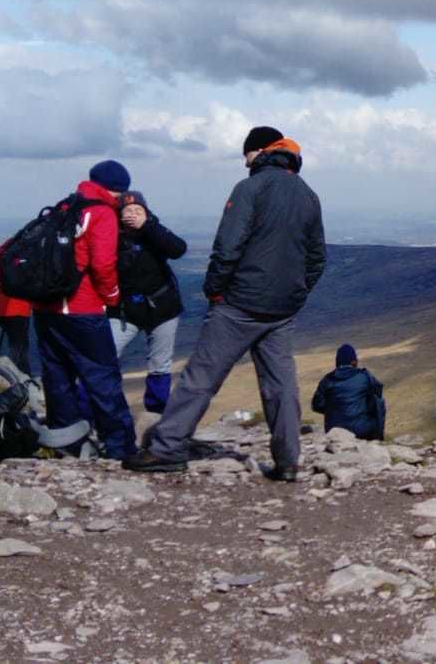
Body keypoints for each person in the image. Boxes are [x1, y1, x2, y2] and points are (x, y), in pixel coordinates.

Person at [125, 127, 326, 479]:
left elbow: (228, 246)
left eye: (246, 154)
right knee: (281, 384)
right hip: (282, 309)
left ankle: (166, 448)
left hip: (239, 304)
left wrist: (214, 290)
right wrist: (296, 293)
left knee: (200, 377)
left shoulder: (249, 188)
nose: (244, 161)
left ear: (259, 152)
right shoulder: (308, 195)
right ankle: (289, 461)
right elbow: (317, 257)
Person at [32, 160, 137, 459]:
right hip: (83, 309)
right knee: (102, 378)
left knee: (57, 378)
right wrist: (114, 296)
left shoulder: (65, 207)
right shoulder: (102, 213)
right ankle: (120, 448)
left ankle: (65, 444)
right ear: (117, 190)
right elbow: (103, 265)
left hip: (47, 308)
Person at [109, 191, 189, 414]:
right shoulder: (111, 236)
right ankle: (105, 408)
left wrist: (147, 226)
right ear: (119, 215)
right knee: (106, 355)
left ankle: (156, 412)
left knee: (160, 363)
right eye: (128, 211)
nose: (134, 214)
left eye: (139, 210)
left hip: (163, 308)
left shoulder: (154, 231)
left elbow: (178, 249)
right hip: (125, 311)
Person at [311, 344, 386, 439]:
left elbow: (316, 405)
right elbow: (378, 391)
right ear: (354, 361)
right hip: (361, 430)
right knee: (379, 401)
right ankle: (378, 438)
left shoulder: (327, 379)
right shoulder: (364, 376)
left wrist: (334, 409)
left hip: (333, 430)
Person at [0, 243, 35, 376]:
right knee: (19, 346)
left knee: (18, 344)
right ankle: (10, 375)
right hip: (17, 308)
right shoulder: (23, 260)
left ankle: (24, 374)